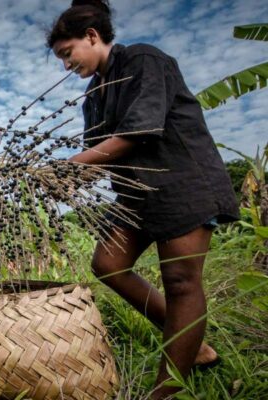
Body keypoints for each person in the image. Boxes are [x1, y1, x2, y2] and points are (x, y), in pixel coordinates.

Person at [47, 1, 239, 398]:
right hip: (135, 193)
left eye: (68, 54)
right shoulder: (92, 96)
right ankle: (191, 342)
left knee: (181, 282)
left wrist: (69, 168)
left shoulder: (143, 60)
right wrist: (62, 181)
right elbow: (98, 155)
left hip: (181, 182)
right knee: (108, 264)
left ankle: (167, 388)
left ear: (93, 36)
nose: (66, 66)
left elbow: (140, 131)